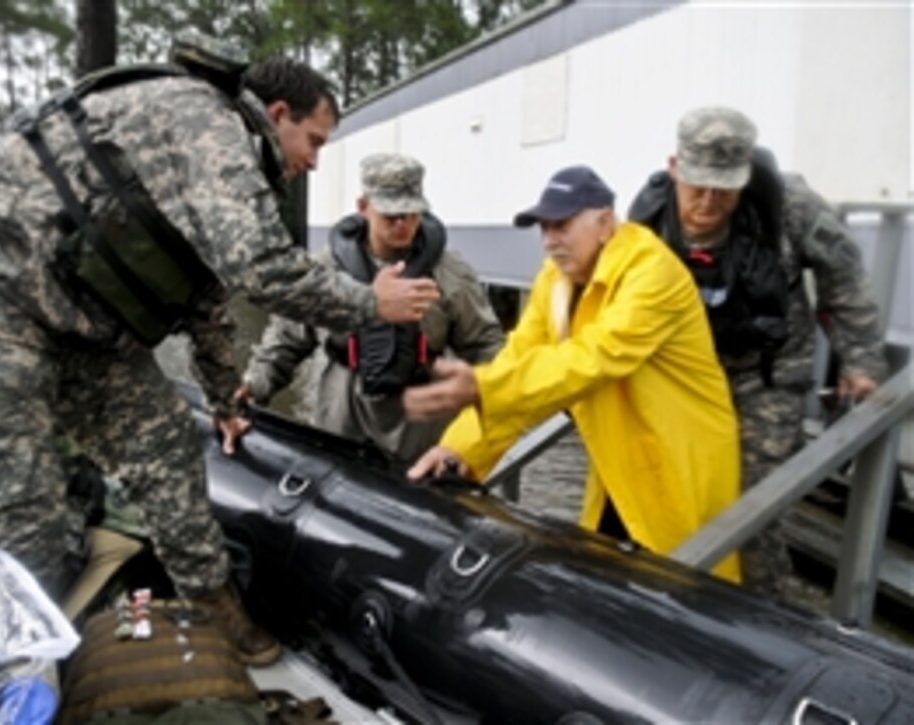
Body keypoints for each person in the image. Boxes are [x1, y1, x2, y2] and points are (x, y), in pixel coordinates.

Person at [0, 34, 440, 667]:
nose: (315, 162)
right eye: (315, 141)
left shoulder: (233, 166)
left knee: (169, 448)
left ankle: (211, 603)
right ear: (278, 115)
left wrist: (222, 399)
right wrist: (372, 304)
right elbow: (259, 269)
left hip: (83, 319)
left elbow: (204, 299)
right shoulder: (206, 121)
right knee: (22, 517)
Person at [405, 165, 741, 582]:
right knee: (619, 576)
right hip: (623, 456)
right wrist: (458, 451)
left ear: (604, 223)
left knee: (689, 587)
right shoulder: (556, 281)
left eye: (561, 226)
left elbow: (596, 356)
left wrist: (484, 386)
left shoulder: (652, 271)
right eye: (543, 228)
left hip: (679, 457)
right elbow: (518, 362)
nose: (549, 241)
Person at [628, 107, 887, 596]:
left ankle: (763, 610)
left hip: (770, 372)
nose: (708, 202)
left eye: (723, 189)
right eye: (697, 186)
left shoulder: (791, 206)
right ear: (674, 167)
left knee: (750, 501)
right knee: (679, 489)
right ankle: (683, 595)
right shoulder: (648, 221)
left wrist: (861, 362)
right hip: (690, 376)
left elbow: (845, 279)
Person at [240, 153, 503, 463]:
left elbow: (485, 345)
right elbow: (285, 340)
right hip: (342, 419)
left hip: (417, 429)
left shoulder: (451, 273)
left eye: (411, 213)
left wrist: (500, 396)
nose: (403, 224)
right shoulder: (323, 270)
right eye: (391, 215)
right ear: (363, 207)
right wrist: (252, 385)